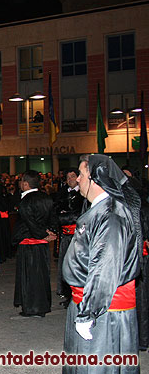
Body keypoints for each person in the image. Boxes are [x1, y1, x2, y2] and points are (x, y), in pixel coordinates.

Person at [62, 155, 141, 372]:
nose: (77, 179)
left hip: (105, 312)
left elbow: (105, 268)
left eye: (81, 174)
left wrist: (89, 313)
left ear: (95, 177)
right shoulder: (98, 210)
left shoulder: (111, 215)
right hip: (87, 302)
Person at [12, 170, 58, 318]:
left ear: (25, 184)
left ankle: (31, 307)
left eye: (21, 181)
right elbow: (53, 218)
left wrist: (43, 234)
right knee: (42, 275)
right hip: (42, 244)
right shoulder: (46, 198)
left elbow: (30, 223)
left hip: (29, 243)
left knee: (29, 277)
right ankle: (43, 305)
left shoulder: (25, 201)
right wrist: (51, 233)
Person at [54, 168, 84, 308]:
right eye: (68, 177)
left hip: (78, 236)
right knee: (65, 265)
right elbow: (55, 211)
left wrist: (64, 216)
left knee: (76, 266)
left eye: (73, 176)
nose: (70, 179)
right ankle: (66, 294)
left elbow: (79, 215)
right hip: (65, 235)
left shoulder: (83, 194)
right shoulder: (62, 194)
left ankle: (77, 295)